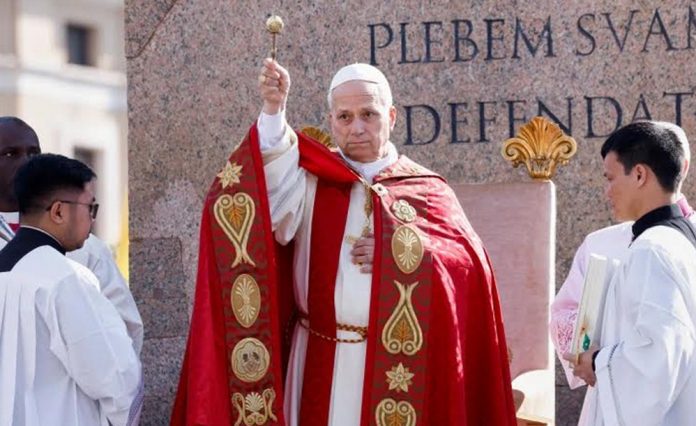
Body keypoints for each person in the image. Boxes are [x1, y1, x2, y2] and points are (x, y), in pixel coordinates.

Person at [171, 59, 517, 425]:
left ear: (392, 117)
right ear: (331, 121)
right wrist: (274, 110)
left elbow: (467, 267)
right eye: (345, 117)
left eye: (368, 114)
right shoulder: (310, 179)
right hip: (317, 354)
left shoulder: (426, 190)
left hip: (401, 371)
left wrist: (401, 256)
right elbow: (262, 199)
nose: (357, 127)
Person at [563, 122, 696, 425]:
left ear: (639, 175)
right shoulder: (684, 237)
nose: (607, 192)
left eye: (610, 178)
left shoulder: (652, 249)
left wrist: (597, 362)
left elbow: (660, 355)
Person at [0, 154, 142, 425]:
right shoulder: (65, 278)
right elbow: (117, 378)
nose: (93, 219)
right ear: (58, 211)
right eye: (90, 207)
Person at [0, 116, 143, 355]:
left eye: (33, 153)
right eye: (10, 154)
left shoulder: (88, 248)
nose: (25, 163)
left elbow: (125, 328)